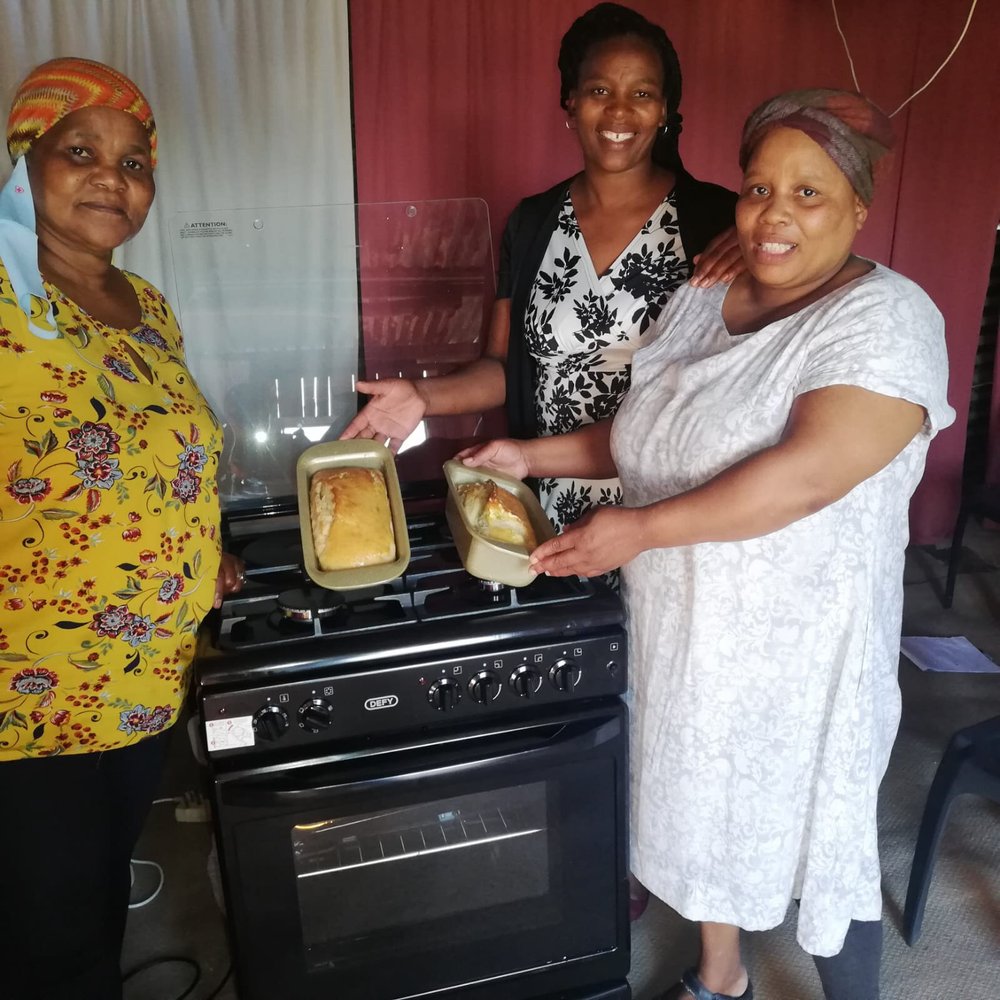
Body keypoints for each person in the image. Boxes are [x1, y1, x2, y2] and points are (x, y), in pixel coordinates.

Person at [458, 88, 954, 1000]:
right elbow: (648, 432)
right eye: (758, 187)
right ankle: (721, 975)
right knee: (693, 810)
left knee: (819, 836)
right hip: (682, 626)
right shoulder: (708, 290)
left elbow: (808, 473)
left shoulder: (887, 320)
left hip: (801, 650)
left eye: (809, 193)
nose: (773, 214)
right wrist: (526, 454)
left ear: (859, 206)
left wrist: (638, 528)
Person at [0, 58, 243, 1000]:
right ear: (27, 162)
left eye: (136, 161)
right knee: (48, 942)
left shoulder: (148, 308)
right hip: (34, 696)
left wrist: (201, 547)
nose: (115, 176)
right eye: (81, 152)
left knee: (90, 906)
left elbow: (163, 452)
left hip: (142, 682)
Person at [342, 2, 739, 534]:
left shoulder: (719, 221)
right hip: (546, 505)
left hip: (668, 511)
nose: (619, 112)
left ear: (664, 109)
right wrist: (423, 396)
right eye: (600, 90)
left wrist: (761, 239)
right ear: (570, 104)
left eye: (641, 93)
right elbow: (504, 369)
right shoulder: (533, 224)